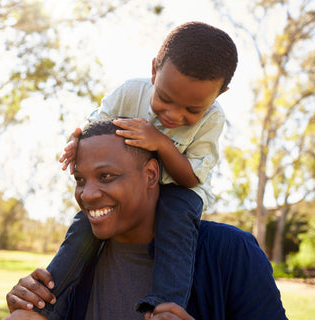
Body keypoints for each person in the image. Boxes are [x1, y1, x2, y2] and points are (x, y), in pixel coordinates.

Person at [4, 119, 287, 320]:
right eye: (79, 179)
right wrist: (27, 306)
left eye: (106, 177)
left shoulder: (231, 251)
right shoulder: (78, 261)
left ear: (151, 175)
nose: (87, 194)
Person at [50, 21, 239, 317]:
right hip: (129, 190)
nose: (174, 114)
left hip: (180, 189)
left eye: (192, 110)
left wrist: (161, 143)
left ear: (219, 94)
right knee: (83, 224)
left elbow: (191, 178)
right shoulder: (130, 93)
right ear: (154, 71)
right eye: (164, 98)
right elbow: (93, 128)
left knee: (175, 224)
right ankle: (47, 295)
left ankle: (164, 304)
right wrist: (76, 140)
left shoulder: (213, 119)